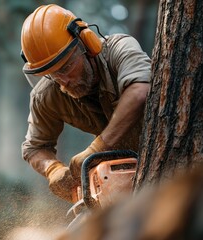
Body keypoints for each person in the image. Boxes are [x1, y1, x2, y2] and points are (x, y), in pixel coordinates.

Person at [20, 4, 151, 203]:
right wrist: (53, 169)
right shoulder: (47, 93)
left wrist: (98, 147)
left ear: (86, 44)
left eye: (66, 67)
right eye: (53, 74)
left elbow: (140, 90)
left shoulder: (119, 49)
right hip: (123, 181)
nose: (63, 81)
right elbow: (34, 148)